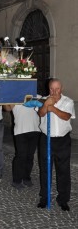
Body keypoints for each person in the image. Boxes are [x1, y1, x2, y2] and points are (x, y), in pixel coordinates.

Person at [37, 78, 75, 211]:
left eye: (57, 88)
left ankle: (63, 199)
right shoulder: (43, 99)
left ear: (61, 88)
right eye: (52, 89)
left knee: (63, 171)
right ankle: (45, 197)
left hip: (62, 141)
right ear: (49, 88)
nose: (54, 91)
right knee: (45, 169)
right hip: (46, 139)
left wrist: (51, 108)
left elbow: (66, 116)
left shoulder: (68, 101)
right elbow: (41, 113)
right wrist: (46, 104)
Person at [4, 104, 41, 189]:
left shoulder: (37, 96)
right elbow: (7, 109)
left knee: (30, 156)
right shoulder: (15, 96)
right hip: (21, 131)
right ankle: (16, 180)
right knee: (21, 156)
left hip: (35, 129)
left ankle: (26, 178)